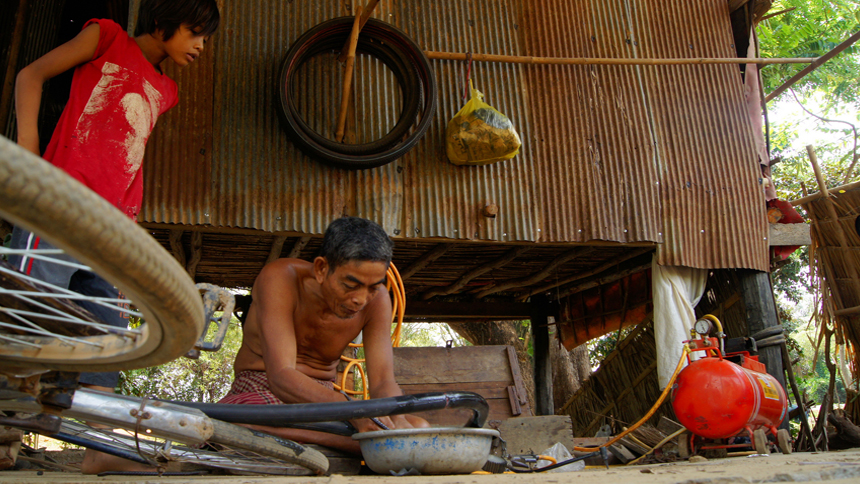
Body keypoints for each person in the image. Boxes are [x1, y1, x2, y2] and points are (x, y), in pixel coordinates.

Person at [12, 0, 220, 474]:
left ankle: (97, 448)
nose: (201, 46)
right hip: (57, 208)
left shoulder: (167, 90)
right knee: (23, 315)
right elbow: (29, 76)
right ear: (164, 21)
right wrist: (26, 164)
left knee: (105, 337)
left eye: (206, 38)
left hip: (110, 231)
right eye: (195, 32)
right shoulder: (106, 38)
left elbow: (125, 155)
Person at [220, 217, 429, 453]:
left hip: (327, 400)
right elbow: (281, 377)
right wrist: (354, 412)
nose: (361, 299)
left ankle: (320, 438)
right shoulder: (280, 277)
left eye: (373, 287)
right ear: (321, 269)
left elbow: (382, 381)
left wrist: (395, 417)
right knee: (246, 419)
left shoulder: (379, 301)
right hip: (262, 388)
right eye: (351, 285)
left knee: (417, 427)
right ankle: (350, 443)